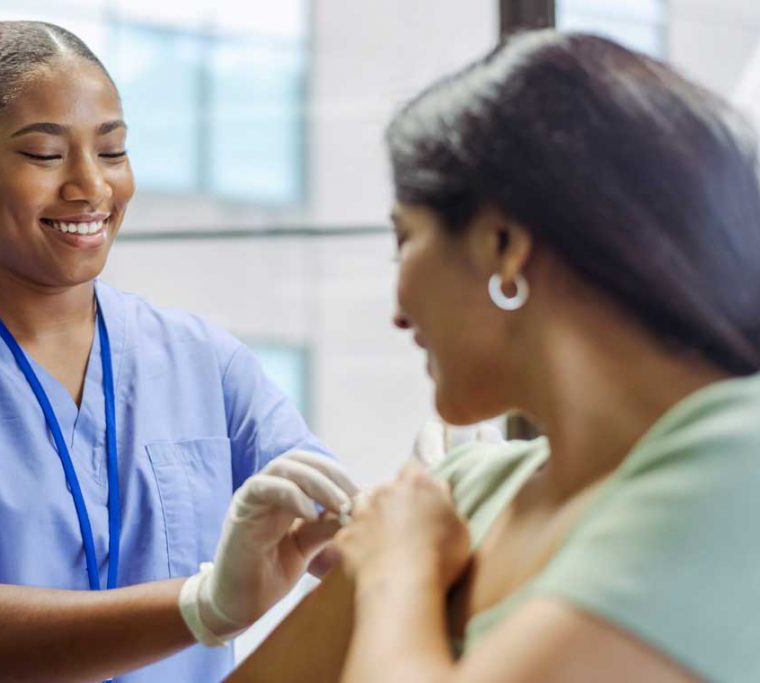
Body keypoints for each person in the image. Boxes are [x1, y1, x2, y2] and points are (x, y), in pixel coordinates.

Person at [0, 20, 356, 683]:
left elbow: (346, 540)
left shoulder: (203, 360)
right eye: (44, 154)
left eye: (112, 151)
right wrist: (205, 605)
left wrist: (466, 516)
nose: (90, 186)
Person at [229, 30, 760, 683]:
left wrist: (398, 572)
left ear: (503, 243)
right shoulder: (465, 490)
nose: (396, 310)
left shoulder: (742, 457)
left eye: (405, 239)